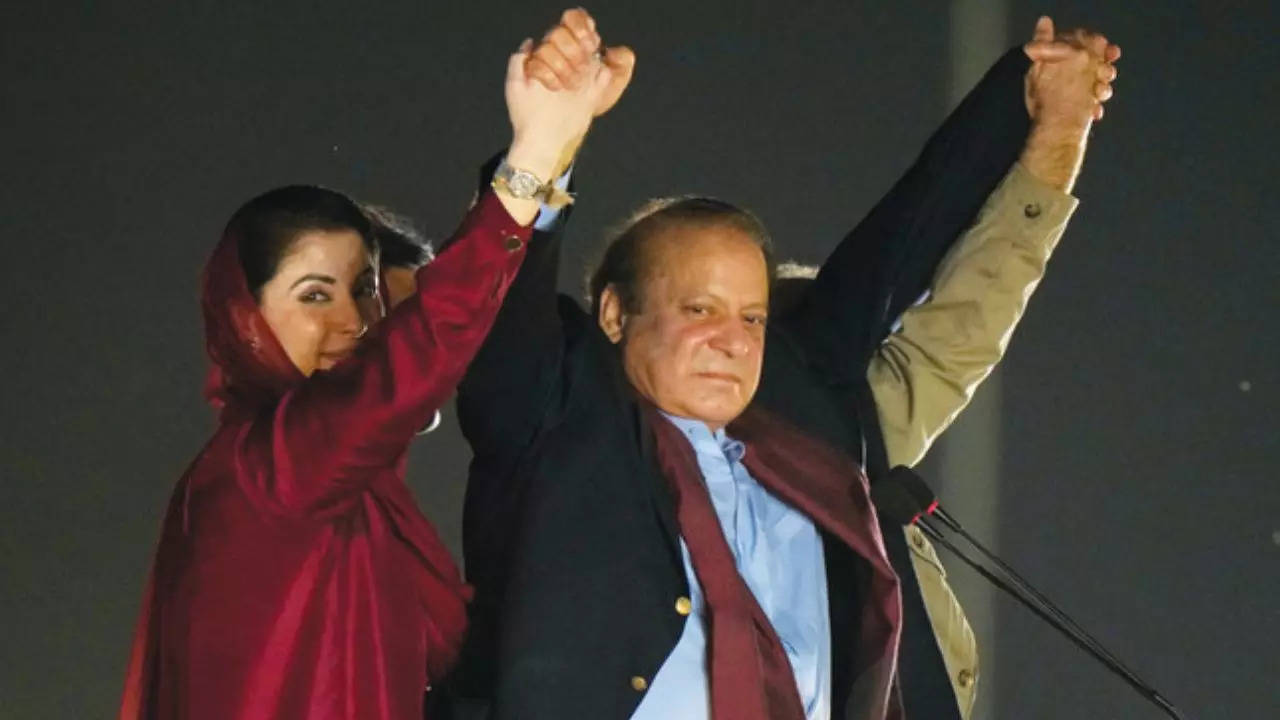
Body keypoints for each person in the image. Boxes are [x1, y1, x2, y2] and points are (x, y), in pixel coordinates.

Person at [447, 10, 1118, 720]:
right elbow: (495, 305)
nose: (731, 341)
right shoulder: (554, 416)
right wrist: (545, 145)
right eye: (698, 310)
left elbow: (907, 232)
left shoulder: (809, 415)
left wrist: (1028, 94)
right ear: (615, 315)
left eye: (752, 317)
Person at [116, 27, 629, 719]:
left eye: (364, 292)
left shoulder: (363, 500)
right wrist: (535, 155)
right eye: (314, 294)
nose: (355, 324)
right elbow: (424, 344)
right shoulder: (263, 471)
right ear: (243, 317)